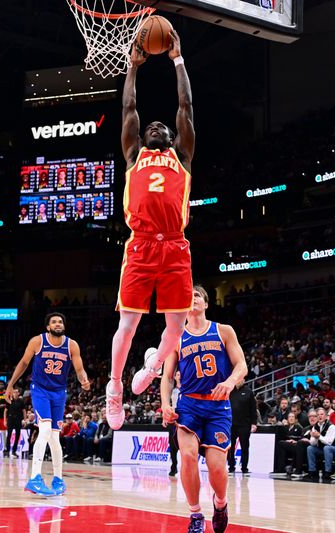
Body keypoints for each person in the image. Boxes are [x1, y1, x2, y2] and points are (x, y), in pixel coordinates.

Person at [106, 29, 196, 431]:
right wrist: (132, 68)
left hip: (175, 247)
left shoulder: (182, 156)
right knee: (127, 325)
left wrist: (177, 59)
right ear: (142, 137)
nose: (157, 126)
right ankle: (114, 387)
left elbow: (185, 105)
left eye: (164, 127)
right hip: (141, 246)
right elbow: (128, 107)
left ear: (174, 138)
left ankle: (154, 367)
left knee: (176, 329)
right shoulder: (133, 155)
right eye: (151, 126)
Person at [160, 285, 247, 533]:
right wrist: (166, 404)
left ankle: (220, 504)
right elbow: (166, 377)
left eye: (197, 295)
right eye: (188, 296)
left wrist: (230, 382)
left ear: (206, 304)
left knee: (217, 466)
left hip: (218, 406)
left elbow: (241, 365)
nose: (193, 298)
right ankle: (195, 514)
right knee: (186, 457)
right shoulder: (175, 336)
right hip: (189, 404)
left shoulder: (223, 330)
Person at [5, 313, 90, 496]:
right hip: (40, 390)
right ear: (48, 327)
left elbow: (80, 369)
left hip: (59, 393)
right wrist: (11, 385)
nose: (58, 324)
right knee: (43, 431)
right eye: (54, 322)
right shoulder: (37, 341)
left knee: (54, 437)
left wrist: (84, 380)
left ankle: (58, 479)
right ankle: (35, 478)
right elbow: (24, 363)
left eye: (60, 321)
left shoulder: (71, 345)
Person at [227, 378, 257, 474]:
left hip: (244, 424)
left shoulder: (248, 392)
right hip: (231, 424)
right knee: (230, 447)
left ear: (244, 380)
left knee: (245, 446)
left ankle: (244, 468)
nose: (239, 381)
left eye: (241, 379)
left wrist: (254, 423)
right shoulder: (230, 390)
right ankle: (231, 466)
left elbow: (253, 409)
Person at [305, 408, 335, 482]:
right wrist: (315, 437)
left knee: (327, 448)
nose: (320, 416)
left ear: (326, 416)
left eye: (322, 414)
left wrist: (319, 436)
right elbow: (312, 443)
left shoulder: (332, 427)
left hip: (334, 449)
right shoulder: (315, 427)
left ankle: (327, 472)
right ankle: (312, 471)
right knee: (310, 448)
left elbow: (329, 442)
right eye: (318, 415)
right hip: (322, 449)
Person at [168, 370, 181, 476]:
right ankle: (174, 466)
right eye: (177, 374)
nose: (179, 376)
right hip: (173, 416)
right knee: (172, 444)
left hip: (185, 415)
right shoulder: (172, 390)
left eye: (181, 374)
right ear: (175, 377)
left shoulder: (189, 388)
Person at [6, 389, 25, 458]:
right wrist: (5, 420)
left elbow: (24, 410)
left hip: (18, 419)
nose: (15, 393)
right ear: (12, 393)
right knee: (9, 435)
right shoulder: (9, 401)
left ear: (18, 393)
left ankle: (14, 451)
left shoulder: (21, 401)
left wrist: (25, 419)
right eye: (14, 392)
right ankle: (7, 451)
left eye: (16, 392)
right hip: (11, 418)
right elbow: (5, 411)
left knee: (17, 435)